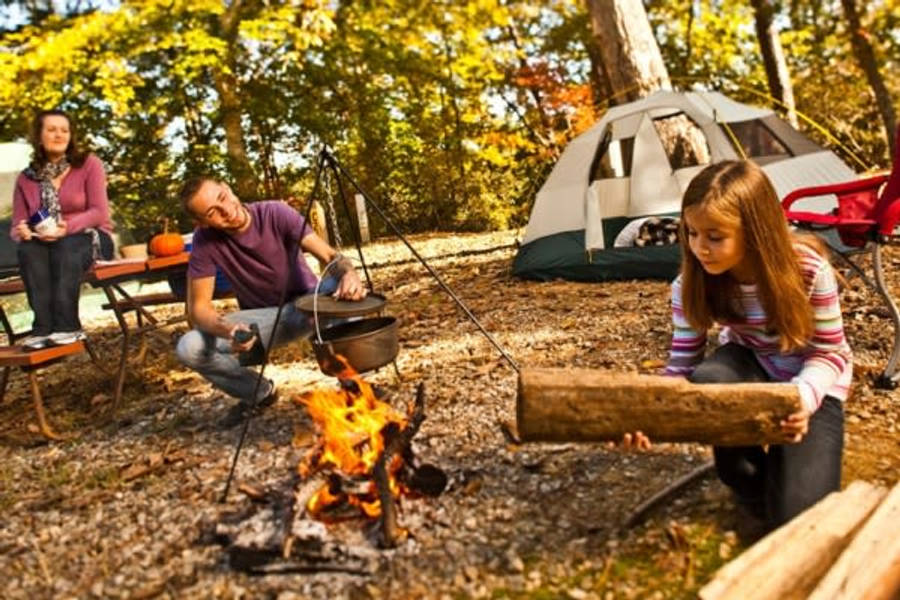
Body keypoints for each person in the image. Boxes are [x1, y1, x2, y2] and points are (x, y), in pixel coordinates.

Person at [630, 160, 851, 531]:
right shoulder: (689, 284)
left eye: (714, 237)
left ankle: (786, 481)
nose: (700, 248)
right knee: (710, 379)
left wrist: (801, 398)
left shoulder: (809, 271)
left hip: (813, 382)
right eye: (692, 233)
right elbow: (682, 363)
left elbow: (828, 353)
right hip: (752, 364)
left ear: (754, 231)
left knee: (799, 519)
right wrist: (652, 415)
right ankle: (750, 484)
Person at [175, 176, 367, 426]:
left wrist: (350, 273)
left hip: (309, 306)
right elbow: (197, 309)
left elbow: (331, 256)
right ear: (201, 222)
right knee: (189, 347)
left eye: (222, 198)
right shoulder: (204, 241)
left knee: (336, 283)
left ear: (227, 187)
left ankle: (353, 386)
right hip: (264, 322)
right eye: (213, 212)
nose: (226, 210)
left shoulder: (275, 212)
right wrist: (228, 330)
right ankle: (259, 393)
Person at [11, 109, 114, 349]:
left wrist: (65, 229)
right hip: (45, 242)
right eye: (51, 129)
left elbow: (99, 212)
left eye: (64, 130)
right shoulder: (26, 179)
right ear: (39, 136)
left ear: (71, 136)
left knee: (65, 247)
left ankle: (68, 327)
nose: (59, 135)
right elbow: (18, 224)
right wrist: (23, 231)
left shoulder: (89, 164)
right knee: (28, 251)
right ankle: (42, 328)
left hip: (91, 237)